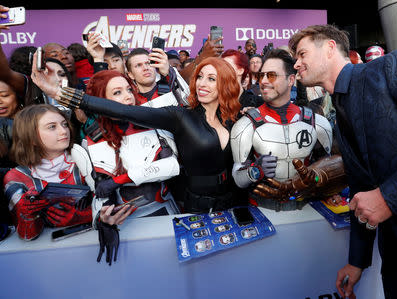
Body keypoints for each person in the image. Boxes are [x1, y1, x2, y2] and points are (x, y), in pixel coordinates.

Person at [288, 24, 397, 298]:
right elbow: (363, 188)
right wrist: (357, 261)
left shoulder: (395, 66)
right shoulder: (340, 112)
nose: (296, 64)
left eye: (302, 54)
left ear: (329, 47)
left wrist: (390, 196)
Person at [32, 56, 246, 214]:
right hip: (197, 206)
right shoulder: (179, 116)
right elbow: (124, 111)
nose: (201, 83)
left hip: (234, 200)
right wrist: (58, 93)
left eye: (211, 78)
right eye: (199, 77)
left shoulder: (234, 118)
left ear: (225, 83)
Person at [82, 70, 181, 265]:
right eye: (117, 92)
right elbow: (99, 190)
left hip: (167, 211)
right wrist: (103, 221)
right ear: (100, 100)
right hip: (127, 225)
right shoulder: (92, 139)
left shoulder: (153, 123)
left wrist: (120, 179)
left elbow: (172, 165)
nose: (128, 96)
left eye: (129, 89)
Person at [230, 49, 341, 211]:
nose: (264, 81)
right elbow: (238, 179)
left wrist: (318, 180)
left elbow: (328, 168)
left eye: (272, 75)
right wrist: (255, 170)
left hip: (307, 207)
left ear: (290, 80)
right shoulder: (245, 125)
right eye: (262, 76)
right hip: (263, 209)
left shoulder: (317, 122)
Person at [3, 104, 93, 241]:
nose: (64, 131)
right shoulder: (16, 177)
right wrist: (27, 214)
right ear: (31, 137)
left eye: (64, 124)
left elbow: (122, 204)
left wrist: (84, 216)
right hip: (46, 252)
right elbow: (27, 236)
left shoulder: (87, 158)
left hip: (93, 240)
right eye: (52, 127)